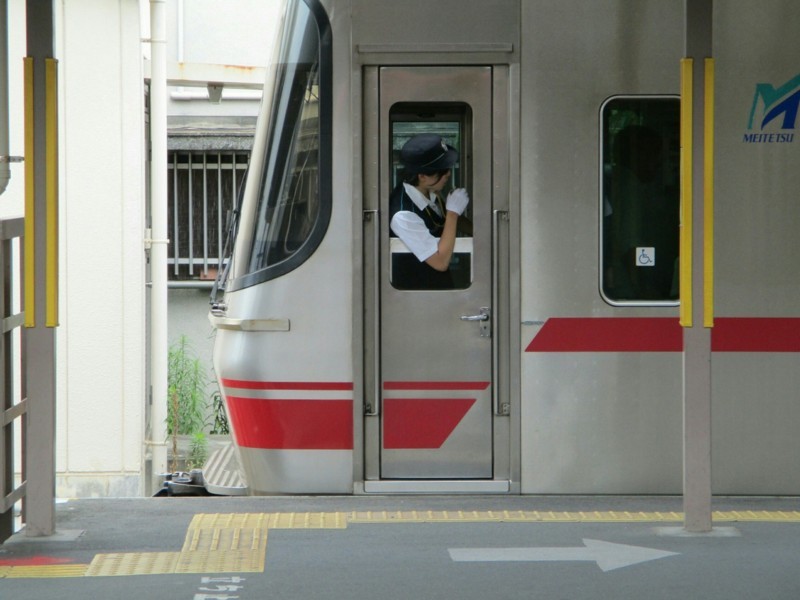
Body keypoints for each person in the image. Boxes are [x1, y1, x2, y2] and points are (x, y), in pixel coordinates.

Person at [389, 133, 471, 289]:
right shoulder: (403, 215)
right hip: (421, 291)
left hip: (440, 286)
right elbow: (440, 262)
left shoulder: (429, 190)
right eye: (441, 170)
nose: (448, 174)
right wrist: (453, 214)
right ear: (422, 176)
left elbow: (445, 220)